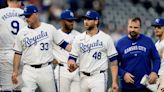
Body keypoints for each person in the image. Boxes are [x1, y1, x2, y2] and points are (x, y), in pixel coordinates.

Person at [11, 4, 71, 92]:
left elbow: (65, 45)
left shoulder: (49, 28)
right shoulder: (21, 33)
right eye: (25, 16)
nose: (27, 18)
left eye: (29, 15)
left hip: (45, 69)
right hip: (28, 70)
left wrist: (77, 52)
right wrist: (15, 71)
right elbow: (17, 53)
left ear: (36, 14)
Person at [67, 10, 119, 92]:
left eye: (89, 19)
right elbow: (72, 57)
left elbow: (113, 62)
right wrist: (71, 64)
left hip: (99, 77)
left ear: (96, 21)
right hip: (82, 76)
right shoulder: (78, 38)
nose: (85, 22)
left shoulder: (106, 38)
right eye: (85, 19)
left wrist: (114, 81)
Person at [116, 17, 161, 92]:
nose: (132, 29)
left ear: (140, 28)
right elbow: (114, 64)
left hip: (145, 86)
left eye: (135, 27)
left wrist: (154, 72)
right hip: (127, 87)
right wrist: (123, 74)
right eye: (130, 27)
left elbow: (156, 58)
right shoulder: (120, 43)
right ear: (127, 27)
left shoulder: (148, 41)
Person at [0, 0, 26, 91]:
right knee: (21, 88)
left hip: (5, 54)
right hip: (23, 56)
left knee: (7, 88)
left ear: (7, 1)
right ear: (19, 2)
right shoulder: (26, 13)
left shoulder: (0, 12)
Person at [53, 9, 81, 92]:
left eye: (72, 20)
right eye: (69, 20)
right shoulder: (55, 35)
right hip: (62, 69)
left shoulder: (79, 35)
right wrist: (51, 59)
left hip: (76, 70)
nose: (72, 22)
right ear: (62, 21)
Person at [152, 18, 164, 92]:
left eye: (159, 27)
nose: (156, 29)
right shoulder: (156, 44)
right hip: (158, 76)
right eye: (155, 27)